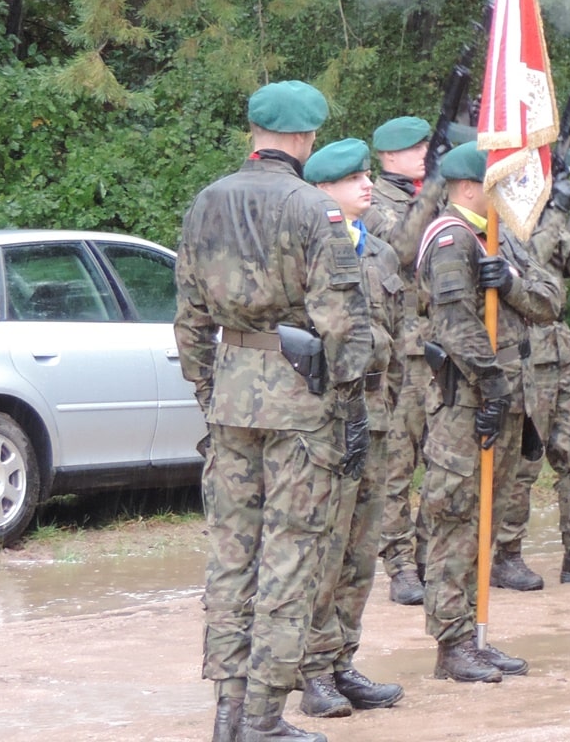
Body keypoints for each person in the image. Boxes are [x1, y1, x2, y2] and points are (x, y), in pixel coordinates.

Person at [174, 80, 376, 742]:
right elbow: (342, 323)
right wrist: (350, 408)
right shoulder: (313, 209)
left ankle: (228, 714)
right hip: (301, 403)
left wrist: (210, 395)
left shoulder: (206, 202)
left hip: (232, 398)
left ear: (256, 133)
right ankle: (261, 720)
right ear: (303, 138)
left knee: (232, 558)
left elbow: (189, 319)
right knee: (291, 557)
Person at [414, 143, 563, 683]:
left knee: (488, 520)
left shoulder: (501, 237)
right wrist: (493, 384)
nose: (510, 195)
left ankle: (475, 632)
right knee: (457, 520)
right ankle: (451, 641)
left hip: (505, 401)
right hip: (467, 403)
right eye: (499, 185)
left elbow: (551, 300)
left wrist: (512, 284)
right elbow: (455, 325)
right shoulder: (452, 238)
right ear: (469, 187)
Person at [298, 138, 407, 718]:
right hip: (330, 416)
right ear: (322, 190)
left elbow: (398, 336)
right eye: (351, 179)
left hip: (377, 413)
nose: (367, 185)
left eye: (367, 174)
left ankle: (343, 659)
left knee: (362, 550)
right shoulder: (309, 247)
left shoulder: (382, 254)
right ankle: (312, 669)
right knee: (326, 545)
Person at [492, 169, 570, 591]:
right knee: (523, 461)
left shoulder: (548, 220)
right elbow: (529, 267)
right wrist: (555, 210)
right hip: (525, 353)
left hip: (560, 348)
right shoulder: (500, 225)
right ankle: (506, 553)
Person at [364, 116, 443, 609]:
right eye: (416, 149)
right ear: (389, 155)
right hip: (404, 354)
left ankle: (433, 555)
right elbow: (403, 250)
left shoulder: (438, 199)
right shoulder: (374, 204)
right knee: (397, 464)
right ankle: (399, 563)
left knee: (442, 462)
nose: (424, 155)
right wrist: (432, 190)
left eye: (427, 147)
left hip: (443, 346)